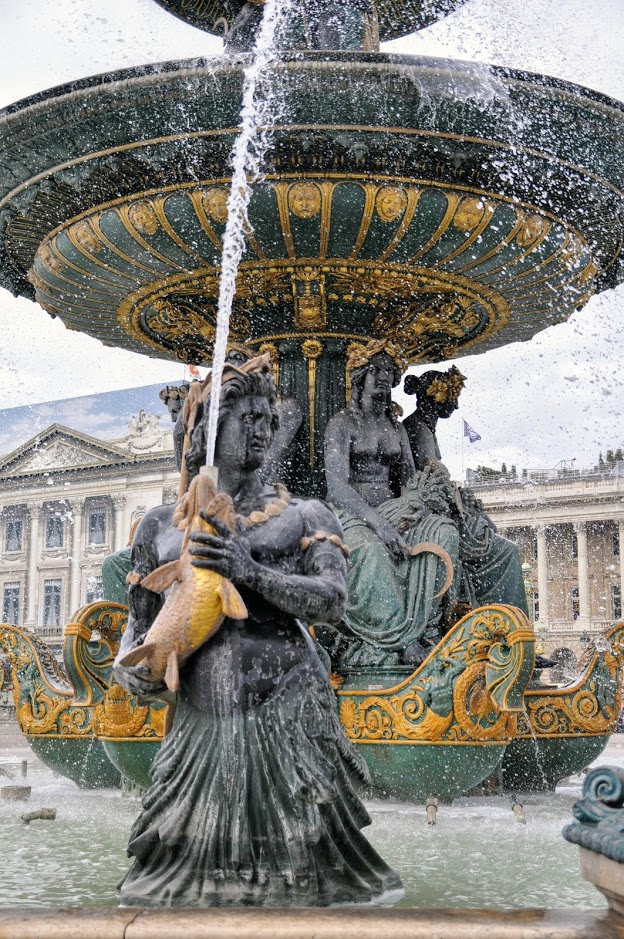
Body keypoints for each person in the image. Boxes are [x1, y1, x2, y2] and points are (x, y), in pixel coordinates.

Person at [113, 353, 401, 907]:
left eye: (268, 418)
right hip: (201, 720)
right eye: (247, 417)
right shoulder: (158, 528)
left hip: (286, 710)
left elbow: (332, 602)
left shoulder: (306, 515)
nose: (263, 429)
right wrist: (137, 673)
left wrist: (250, 573)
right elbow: (138, 633)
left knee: (301, 880)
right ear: (209, 428)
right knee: (174, 881)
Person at [323, 340, 460, 667]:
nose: (384, 377)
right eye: (377, 369)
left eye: (389, 370)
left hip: (396, 510)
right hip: (351, 514)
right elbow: (337, 486)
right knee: (371, 551)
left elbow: (409, 480)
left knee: (444, 533)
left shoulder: (395, 428)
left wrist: (425, 500)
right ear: (360, 376)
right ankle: (398, 638)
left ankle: (431, 630)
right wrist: (379, 523)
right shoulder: (342, 424)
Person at [402, 368, 529, 617]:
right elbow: (432, 483)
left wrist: (465, 501)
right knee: (505, 551)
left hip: (433, 508)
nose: (456, 406)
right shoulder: (418, 429)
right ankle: (506, 624)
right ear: (438, 397)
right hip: (427, 512)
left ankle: (498, 619)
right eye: (453, 397)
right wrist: (463, 504)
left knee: (488, 530)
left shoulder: (422, 427)